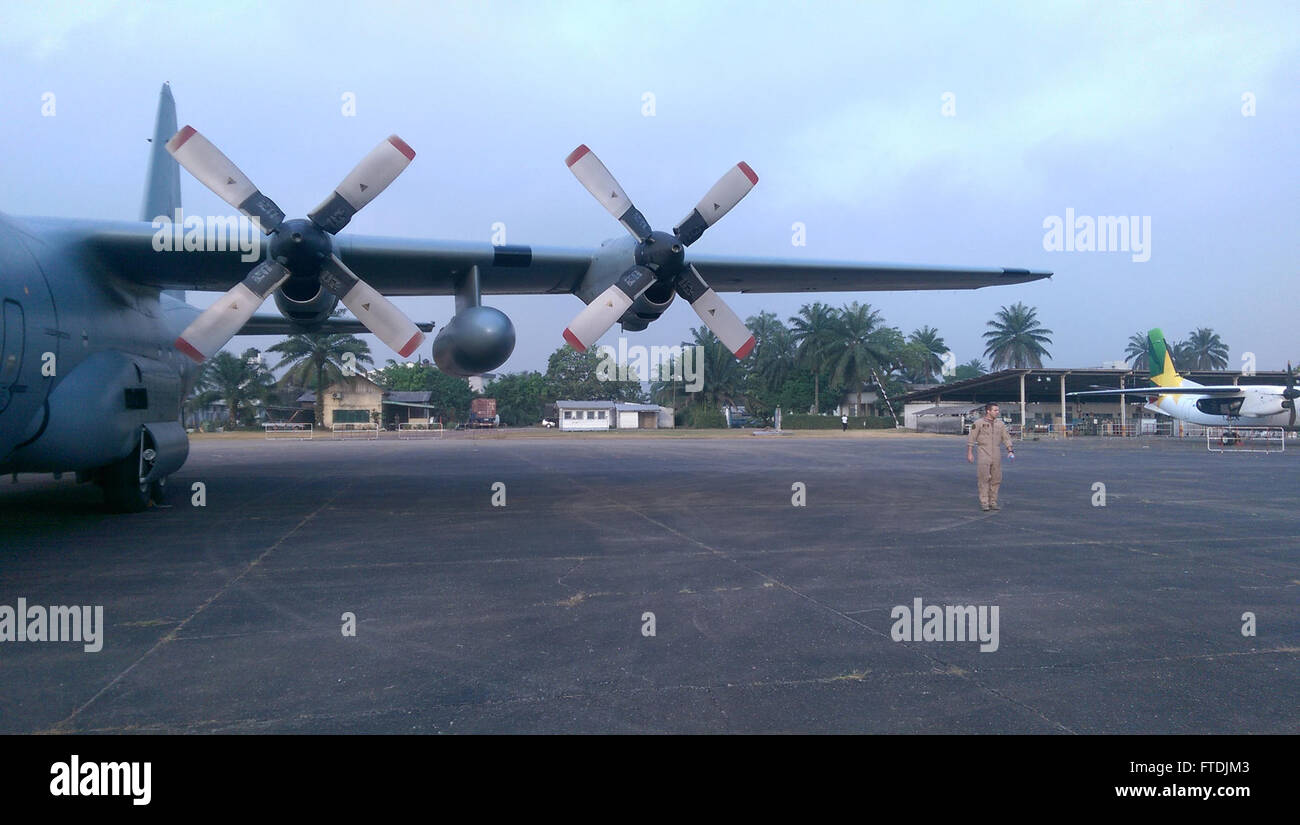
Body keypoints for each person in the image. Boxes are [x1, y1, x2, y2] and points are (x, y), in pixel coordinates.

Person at [966, 402, 1014, 512]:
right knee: (984, 478)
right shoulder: (978, 423)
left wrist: (1010, 450)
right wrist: (970, 453)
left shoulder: (1000, 424)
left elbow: (1006, 438)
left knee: (996, 478)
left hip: (996, 453)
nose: (997, 412)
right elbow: (971, 438)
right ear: (988, 411)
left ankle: (993, 501)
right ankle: (984, 502)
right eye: (995, 410)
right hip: (983, 452)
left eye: (998, 410)